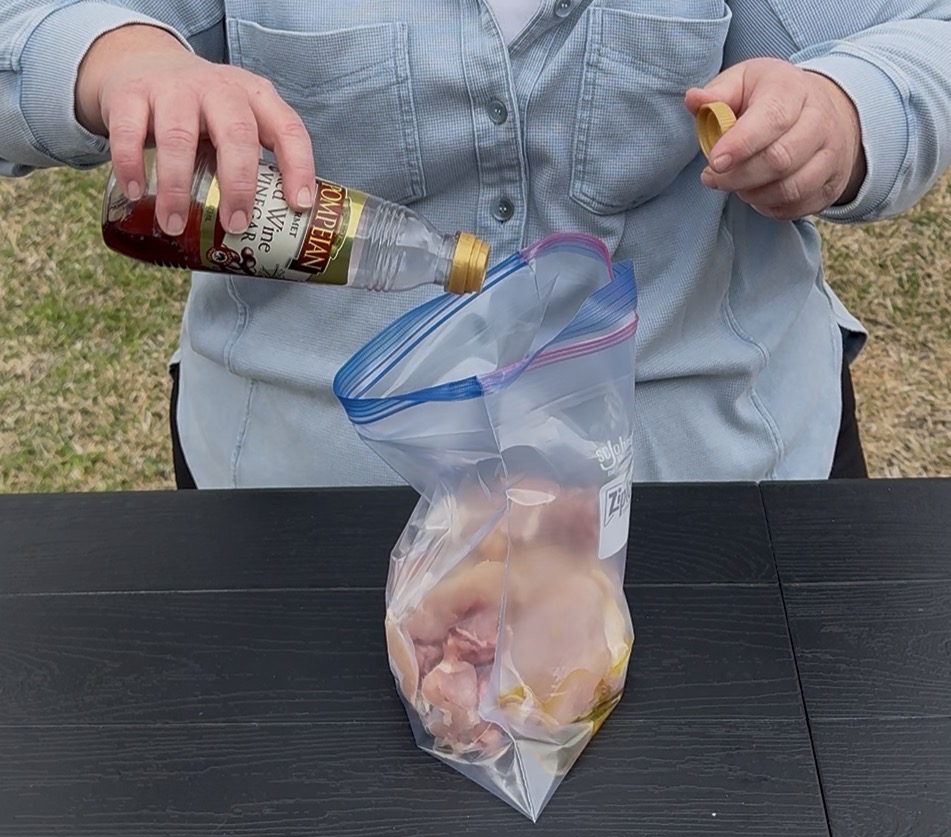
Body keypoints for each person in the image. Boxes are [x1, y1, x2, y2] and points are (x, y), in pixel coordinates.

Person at [1, 1, 949, 488]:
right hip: (304, 511)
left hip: (718, 494)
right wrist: (121, 57)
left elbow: (919, 34)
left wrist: (846, 111)